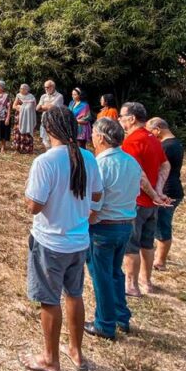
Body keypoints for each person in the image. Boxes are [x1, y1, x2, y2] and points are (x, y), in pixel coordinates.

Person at [22, 106, 103, 371]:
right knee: (74, 294)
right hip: (79, 240)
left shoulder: (46, 162)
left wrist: (27, 198)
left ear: (49, 129)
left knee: (49, 299)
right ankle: (76, 350)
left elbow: (34, 206)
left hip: (50, 241)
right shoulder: (88, 158)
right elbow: (97, 194)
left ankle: (50, 359)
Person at [84, 117, 140, 340]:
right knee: (115, 273)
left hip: (103, 227)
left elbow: (95, 201)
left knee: (102, 276)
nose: (92, 138)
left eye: (94, 134)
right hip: (125, 225)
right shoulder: (131, 162)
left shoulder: (100, 164)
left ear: (100, 137)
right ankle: (120, 316)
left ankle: (104, 324)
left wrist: (86, 222)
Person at [119, 102, 171, 297]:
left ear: (132, 119)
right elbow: (165, 165)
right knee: (147, 243)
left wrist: (153, 193)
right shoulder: (153, 138)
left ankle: (131, 284)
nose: (120, 120)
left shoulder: (132, 141)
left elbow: (137, 174)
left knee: (131, 245)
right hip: (151, 204)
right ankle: (146, 281)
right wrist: (157, 191)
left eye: (122, 117)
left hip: (137, 202)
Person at [147, 117, 184, 272]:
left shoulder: (167, 146)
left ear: (158, 129)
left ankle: (160, 262)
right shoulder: (176, 143)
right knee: (160, 224)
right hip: (172, 188)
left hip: (168, 191)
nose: (151, 136)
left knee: (162, 226)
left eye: (151, 132)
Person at [36, 80, 63, 149]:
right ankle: (48, 154)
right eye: (45, 87)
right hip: (44, 120)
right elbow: (37, 108)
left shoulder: (59, 96)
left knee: (54, 140)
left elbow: (51, 107)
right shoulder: (43, 96)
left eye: (47, 87)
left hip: (54, 121)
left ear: (53, 87)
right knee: (45, 140)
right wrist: (45, 106)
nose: (46, 89)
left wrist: (43, 106)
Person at [12, 84, 37, 154]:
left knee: (27, 133)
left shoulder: (31, 97)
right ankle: (17, 149)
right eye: (20, 88)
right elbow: (13, 106)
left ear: (27, 89)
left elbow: (34, 108)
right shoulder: (18, 96)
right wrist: (21, 108)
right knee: (18, 132)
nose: (21, 90)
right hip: (19, 117)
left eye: (23, 89)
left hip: (28, 118)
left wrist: (26, 108)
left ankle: (28, 150)